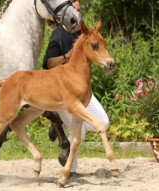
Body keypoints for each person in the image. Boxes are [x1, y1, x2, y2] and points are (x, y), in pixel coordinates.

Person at [43, 0, 110, 178]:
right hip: (63, 92)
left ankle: (60, 123)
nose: (77, 4)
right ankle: (71, 171)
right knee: (78, 130)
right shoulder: (58, 34)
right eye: (73, 1)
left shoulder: (85, 32)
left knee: (103, 122)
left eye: (77, 1)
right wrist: (67, 56)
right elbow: (49, 63)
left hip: (83, 92)